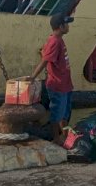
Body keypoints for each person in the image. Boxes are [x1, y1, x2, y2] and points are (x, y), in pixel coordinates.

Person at [29, 14, 74, 142]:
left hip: (64, 84)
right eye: (67, 24)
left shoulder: (57, 40)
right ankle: (56, 138)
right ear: (61, 26)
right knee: (57, 113)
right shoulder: (55, 41)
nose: (68, 26)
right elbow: (45, 61)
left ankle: (64, 137)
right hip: (58, 84)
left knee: (64, 113)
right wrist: (32, 77)